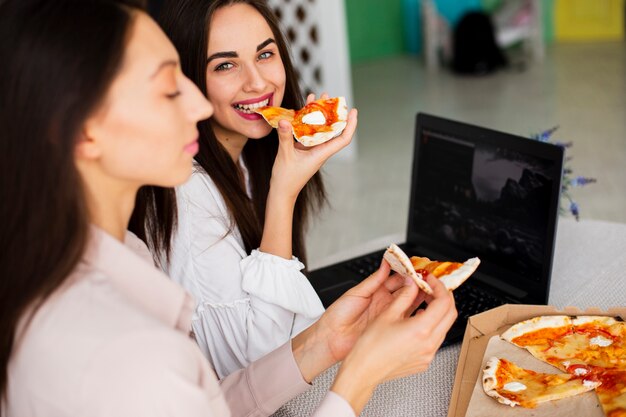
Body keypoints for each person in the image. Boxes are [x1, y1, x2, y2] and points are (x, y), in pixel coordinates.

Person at [0, 0, 458, 416]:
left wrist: (327, 342)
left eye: (265, 53)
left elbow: (211, 403)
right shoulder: (131, 357)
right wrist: (362, 375)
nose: (198, 103)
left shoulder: (118, 259)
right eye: (167, 87)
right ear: (79, 130)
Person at [134, 0, 347, 378]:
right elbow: (256, 369)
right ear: (185, 81)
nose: (258, 83)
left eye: (265, 54)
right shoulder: (186, 194)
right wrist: (284, 194)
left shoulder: (251, 155)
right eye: (225, 65)